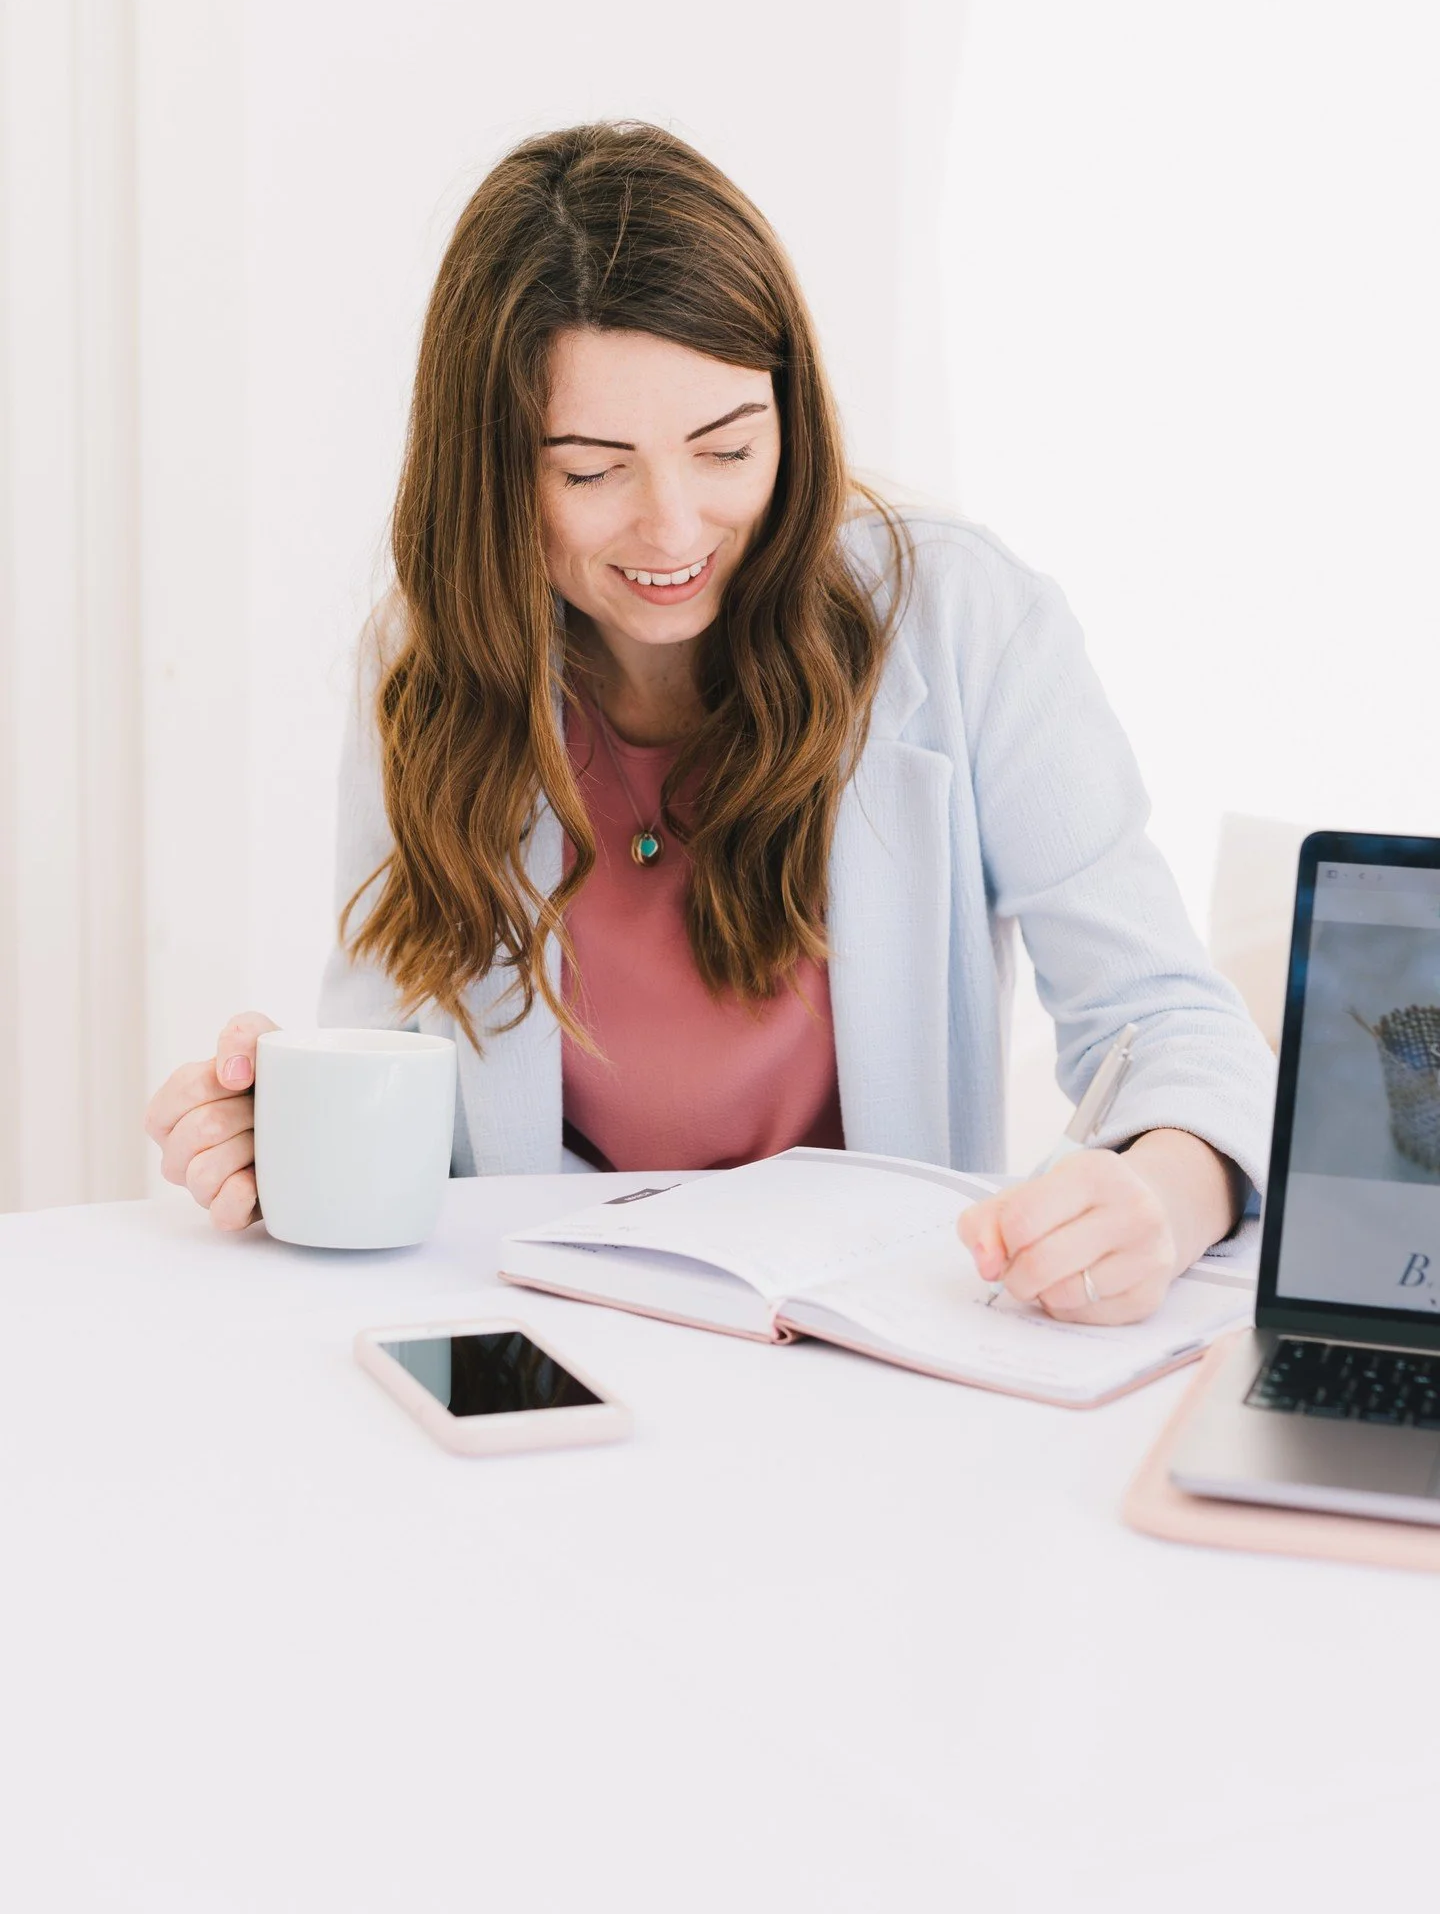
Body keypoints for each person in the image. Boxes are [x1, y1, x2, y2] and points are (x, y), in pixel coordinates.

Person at [144, 120, 1275, 1326]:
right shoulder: (433, 673)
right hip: (561, 1337)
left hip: (869, 1344)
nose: (675, 529)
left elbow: (1168, 1019)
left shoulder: (965, 621)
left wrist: (1166, 1189)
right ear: (492, 473)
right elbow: (394, 1068)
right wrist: (283, 1131)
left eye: (727, 447)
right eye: (591, 471)